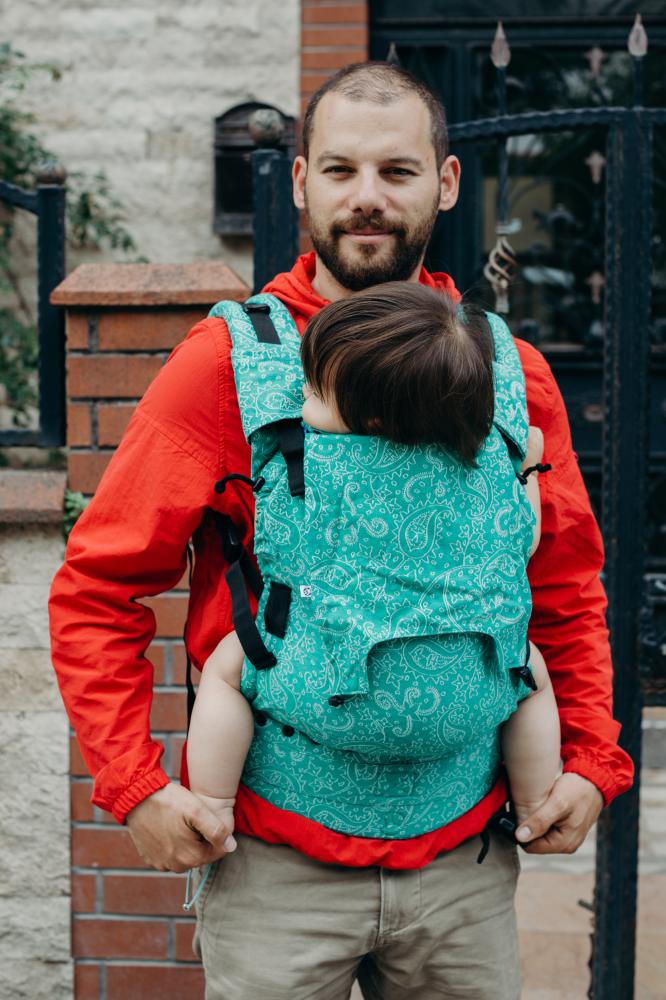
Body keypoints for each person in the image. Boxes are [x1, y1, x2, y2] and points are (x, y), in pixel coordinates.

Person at [49, 61, 633, 998]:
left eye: (397, 171)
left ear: (446, 182)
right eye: (340, 170)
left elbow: (561, 585)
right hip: (275, 868)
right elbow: (99, 587)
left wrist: (593, 758)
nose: (367, 198)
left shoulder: (508, 371)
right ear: (300, 182)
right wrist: (134, 785)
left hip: (463, 869)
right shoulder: (227, 367)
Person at [186, 283, 561, 851]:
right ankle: (533, 803)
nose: (301, 393)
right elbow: (523, 540)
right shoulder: (486, 475)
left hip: (326, 692)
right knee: (531, 676)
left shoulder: (303, 472)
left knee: (226, 669)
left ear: (374, 415)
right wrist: (526, 468)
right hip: (469, 693)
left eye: (315, 388)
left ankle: (213, 802)